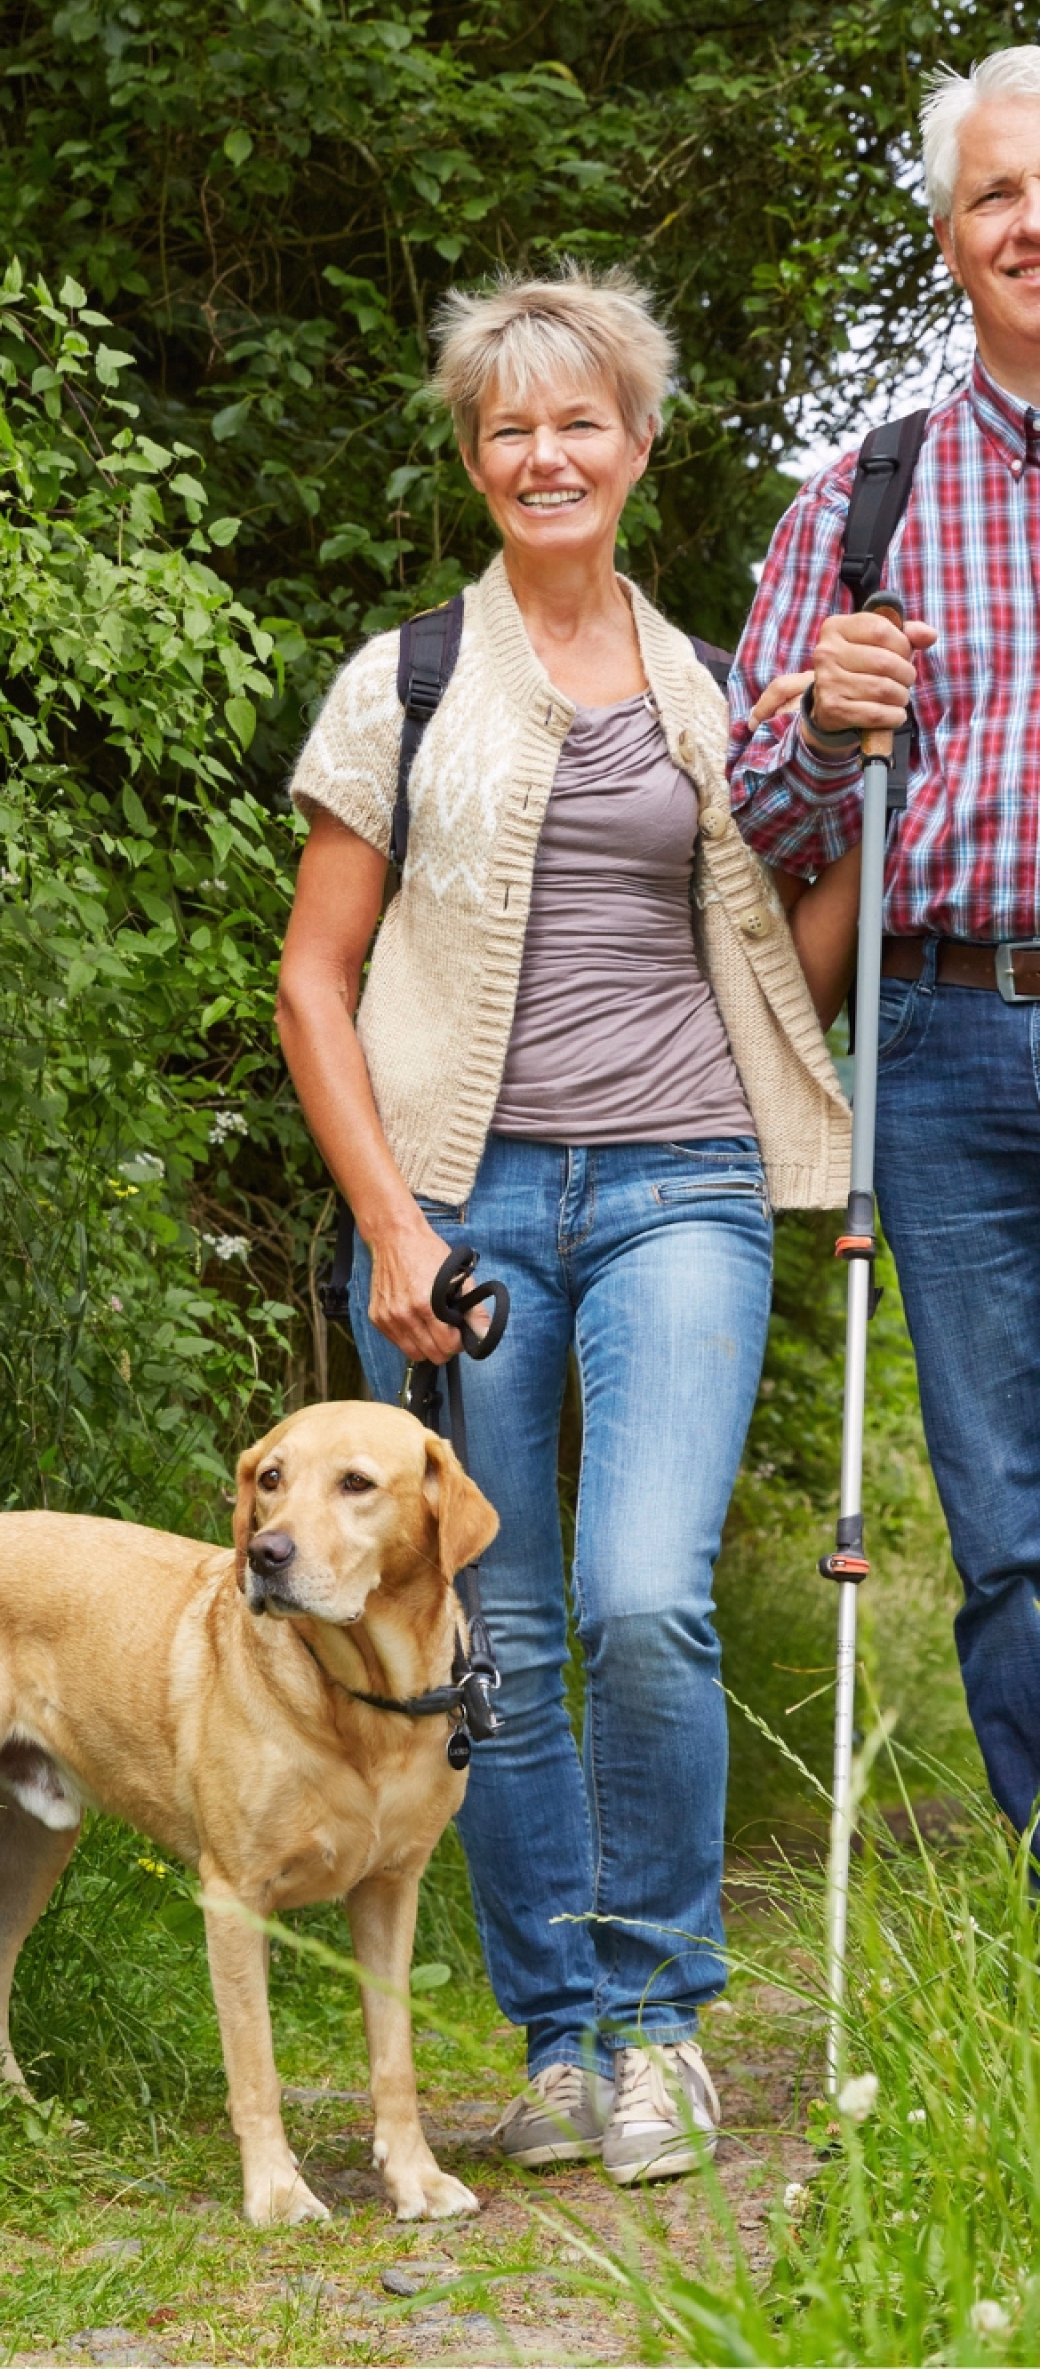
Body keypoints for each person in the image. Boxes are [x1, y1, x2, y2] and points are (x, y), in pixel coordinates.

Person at [276, 269, 850, 2183]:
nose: (545, 454)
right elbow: (312, 979)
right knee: (490, 1627)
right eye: (508, 426)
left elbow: (782, 964)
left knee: (641, 1595)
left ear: (638, 443)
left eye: (578, 420)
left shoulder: (714, 690)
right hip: (461, 1198)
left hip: (684, 1175)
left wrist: (861, 796)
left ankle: (670, 2021)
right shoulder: (405, 678)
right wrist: (387, 1225)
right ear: (472, 455)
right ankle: (564, 2041)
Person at [730, 44, 1040, 1856]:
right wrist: (826, 728)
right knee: (1007, 1519)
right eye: (997, 192)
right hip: (942, 1036)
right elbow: (761, 827)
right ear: (947, 237)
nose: (1031, 221)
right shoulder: (865, 498)